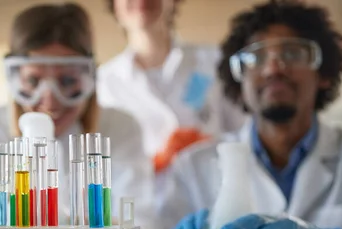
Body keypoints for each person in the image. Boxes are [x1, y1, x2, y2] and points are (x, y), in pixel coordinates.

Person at [161, 0, 342, 229]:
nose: (273, 69)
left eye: (293, 53)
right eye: (256, 58)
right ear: (239, 80)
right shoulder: (193, 166)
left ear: (324, 74)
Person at [0, 3, 156, 229]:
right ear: (15, 78)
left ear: (89, 77)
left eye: (67, 81)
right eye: (34, 80)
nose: (49, 100)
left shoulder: (119, 128)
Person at [97, 0, 246, 173]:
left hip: (213, 189)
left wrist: (210, 146)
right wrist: (160, 160)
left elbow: (244, 134)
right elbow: (112, 171)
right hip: (144, 198)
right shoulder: (104, 83)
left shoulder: (213, 61)